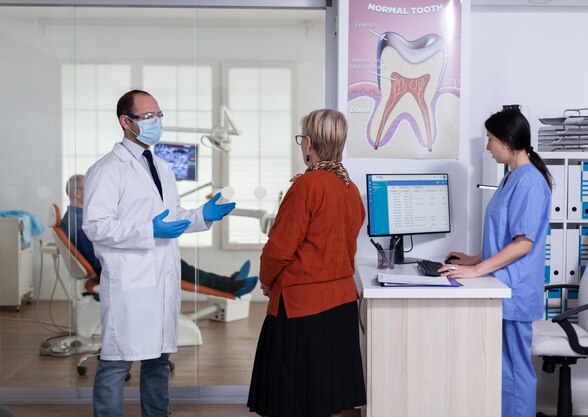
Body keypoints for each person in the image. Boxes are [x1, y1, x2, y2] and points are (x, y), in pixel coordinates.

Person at [82, 89, 236, 417]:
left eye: (159, 115)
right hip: (130, 283)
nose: (156, 122)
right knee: (115, 363)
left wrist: (201, 216)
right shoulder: (107, 170)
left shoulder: (163, 167)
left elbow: (171, 215)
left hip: (161, 280)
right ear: (126, 122)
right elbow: (96, 226)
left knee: (158, 361)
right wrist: (149, 230)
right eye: (148, 116)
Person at [247, 109, 366, 417]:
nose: (302, 146)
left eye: (302, 140)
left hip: (301, 308)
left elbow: (279, 248)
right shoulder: (351, 190)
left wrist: (267, 280)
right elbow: (346, 246)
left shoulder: (307, 186)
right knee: (327, 398)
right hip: (340, 305)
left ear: (310, 143)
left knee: (291, 399)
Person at [438, 108, 552, 417]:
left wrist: (475, 270)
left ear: (506, 140)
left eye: (490, 140)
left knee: (514, 371)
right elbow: (504, 237)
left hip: (514, 290)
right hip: (501, 285)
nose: (487, 147)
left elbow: (523, 244)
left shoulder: (528, 182)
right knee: (502, 368)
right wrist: (472, 257)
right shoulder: (512, 178)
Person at [63, 174, 257, 297]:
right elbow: (101, 255)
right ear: (78, 194)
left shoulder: (76, 217)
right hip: (123, 268)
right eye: (92, 188)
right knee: (178, 267)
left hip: (128, 260)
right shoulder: (81, 222)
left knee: (182, 266)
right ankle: (231, 286)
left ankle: (229, 282)